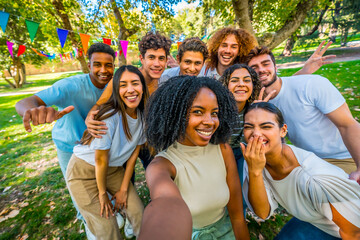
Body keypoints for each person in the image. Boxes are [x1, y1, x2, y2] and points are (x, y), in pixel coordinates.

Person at [15, 43, 116, 233]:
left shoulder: (115, 86)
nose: (103, 70)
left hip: (99, 145)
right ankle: (88, 223)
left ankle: (111, 215)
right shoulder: (71, 85)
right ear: (88, 65)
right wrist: (33, 111)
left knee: (102, 184)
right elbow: (26, 102)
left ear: (114, 65)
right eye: (97, 64)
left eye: (108, 65)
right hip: (69, 146)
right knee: (80, 192)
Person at [140, 76, 250, 239]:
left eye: (214, 113)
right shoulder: (162, 166)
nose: (210, 122)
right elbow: (164, 203)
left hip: (226, 231)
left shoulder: (223, 149)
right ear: (175, 115)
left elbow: (238, 218)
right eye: (197, 112)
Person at [240, 102, 360, 239]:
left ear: (283, 130)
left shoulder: (314, 179)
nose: (255, 134)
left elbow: (354, 233)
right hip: (316, 219)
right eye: (248, 127)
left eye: (266, 126)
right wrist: (254, 171)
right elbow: (262, 212)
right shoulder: (254, 159)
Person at [246, 46, 360, 182]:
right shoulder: (261, 104)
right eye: (254, 68)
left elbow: (347, 125)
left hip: (345, 157)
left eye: (266, 64)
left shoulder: (311, 84)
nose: (261, 70)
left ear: (276, 67)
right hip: (308, 161)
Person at [66, 65, 148, 239]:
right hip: (84, 172)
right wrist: (103, 194)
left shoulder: (142, 117)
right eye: (123, 85)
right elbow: (100, 160)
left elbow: (134, 155)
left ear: (143, 87)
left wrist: (124, 189)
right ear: (116, 90)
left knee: (138, 211)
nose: (130, 90)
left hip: (112, 170)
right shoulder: (110, 116)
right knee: (108, 226)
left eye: (135, 83)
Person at [86, 31, 172, 170]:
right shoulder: (124, 79)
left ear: (166, 61)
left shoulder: (163, 84)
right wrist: (90, 117)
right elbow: (99, 104)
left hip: (146, 143)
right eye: (151, 57)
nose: (157, 63)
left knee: (156, 172)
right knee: (124, 182)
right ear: (141, 58)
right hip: (122, 142)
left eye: (161, 58)